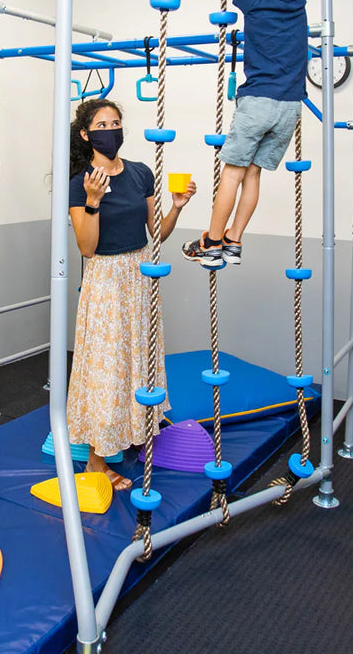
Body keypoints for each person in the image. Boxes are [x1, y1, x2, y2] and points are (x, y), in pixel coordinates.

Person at [67, 98, 197, 489]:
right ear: (87, 135)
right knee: (106, 367)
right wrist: (92, 201)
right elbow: (87, 249)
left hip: (138, 273)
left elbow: (156, 232)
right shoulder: (80, 181)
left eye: (116, 122)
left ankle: (133, 433)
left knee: (137, 358)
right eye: (102, 125)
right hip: (106, 278)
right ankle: (96, 461)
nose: (112, 130)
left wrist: (176, 207)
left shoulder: (140, 173)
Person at [182, 0, 307, 268]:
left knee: (233, 173)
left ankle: (211, 242)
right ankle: (234, 241)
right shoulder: (295, 1)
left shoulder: (252, 1)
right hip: (290, 107)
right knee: (252, 174)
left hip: (259, 104)